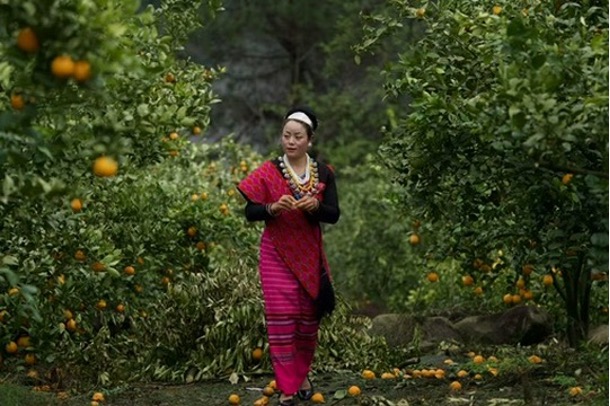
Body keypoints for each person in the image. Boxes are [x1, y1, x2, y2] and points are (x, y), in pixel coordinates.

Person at [237, 106, 340, 406]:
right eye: (286, 136)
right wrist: (271, 208)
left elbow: (333, 215)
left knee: (308, 321)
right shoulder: (269, 171)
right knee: (282, 320)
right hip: (276, 253)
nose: (290, 141)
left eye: (297, 136)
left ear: (310, 140)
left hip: (309, 255)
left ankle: (302, 374)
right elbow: (250, 211)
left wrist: (315, 208)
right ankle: (288, 388)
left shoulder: (323, 173)